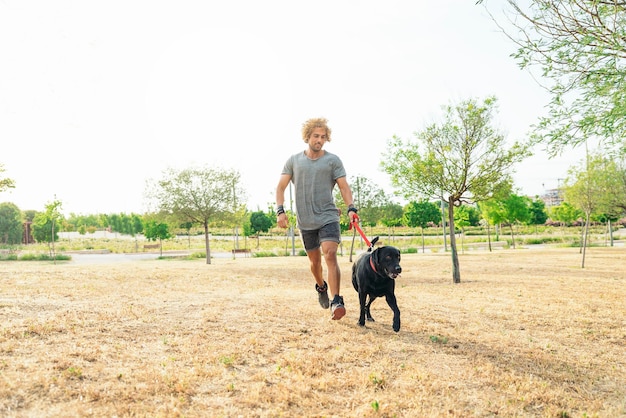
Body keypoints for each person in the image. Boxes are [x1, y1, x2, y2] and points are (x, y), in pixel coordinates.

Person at [275, 117, 358, 320]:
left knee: (330, 254)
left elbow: (344, 187)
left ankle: (336, 299)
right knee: (314, 264)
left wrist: (351, 208)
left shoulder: (332, 161)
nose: (319, 140)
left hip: (328, 216)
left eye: (323, 137)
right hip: (305, 221)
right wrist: (280, 210)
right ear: (307, 136)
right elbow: (280, 187)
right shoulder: (294, 161)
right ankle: (321, 287)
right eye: (316, 136)